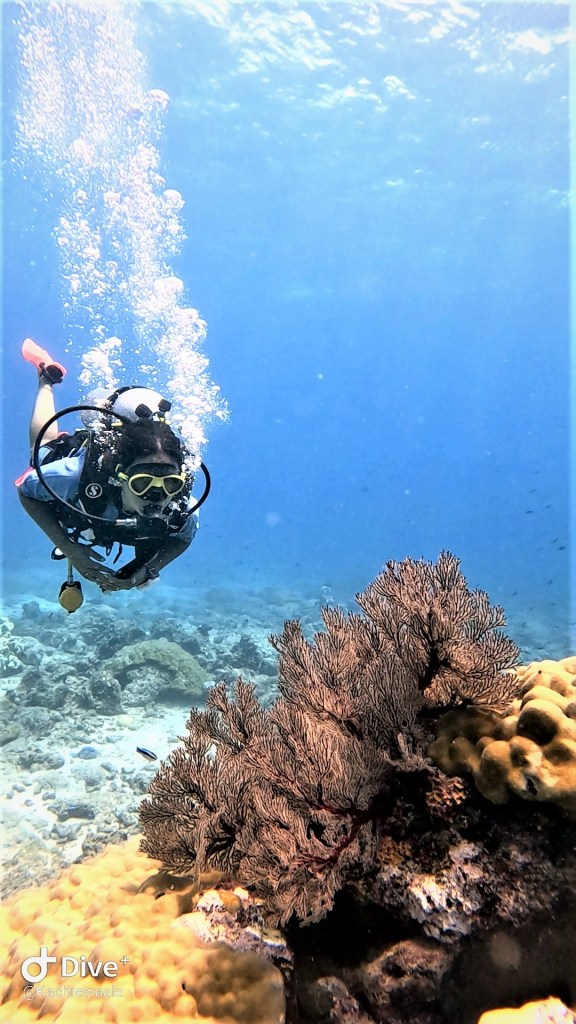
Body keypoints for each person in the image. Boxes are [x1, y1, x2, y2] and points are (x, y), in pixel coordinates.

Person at [16, 338, 201, 597]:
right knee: (42, 448)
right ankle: (46, 378)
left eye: (171, 483)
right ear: (120, 477)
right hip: (81, 472)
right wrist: (70, 549)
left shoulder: (180, 505)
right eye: (142, 482)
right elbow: (26, 490)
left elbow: (183, 537)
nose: (157, 495)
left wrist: (150, 568)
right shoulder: (75, 475)